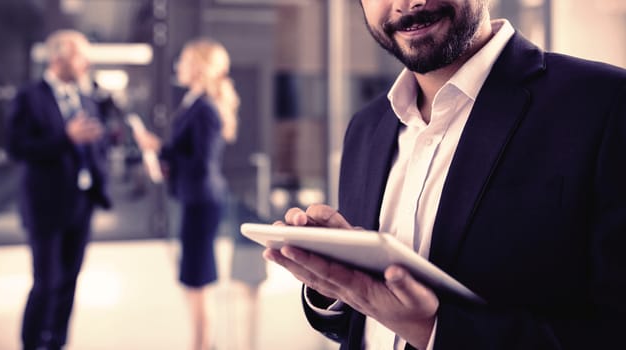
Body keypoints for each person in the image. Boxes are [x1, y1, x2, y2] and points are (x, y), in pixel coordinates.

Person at [263, 0, 626, 349]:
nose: (410, 3)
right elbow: (367, 329)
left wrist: (434, 330)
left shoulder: (604, 104)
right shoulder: (365, 128)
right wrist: (335, 286)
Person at [6, 29, 111, 350]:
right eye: (81, 54)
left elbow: (96, 142)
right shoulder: (30, 96)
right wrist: (66, 138)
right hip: (45, 204)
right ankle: (31, 343)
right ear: (58, 57)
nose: (87, 62)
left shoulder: (85, 96)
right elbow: (16, 147)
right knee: (47, 282)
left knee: (69, 282)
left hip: (81, 202)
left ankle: (57, 343)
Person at [131, 38, 239, 350]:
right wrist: (164, 158)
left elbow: (200, 162)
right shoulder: (194, 101)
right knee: (195, 278)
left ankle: (202, 345)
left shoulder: (204, 107)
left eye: (184, 61)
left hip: (202, 201)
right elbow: (189, 155)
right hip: (196, 198)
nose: (177, 66)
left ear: (199, 68)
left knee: (198, 280)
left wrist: (160, 150)